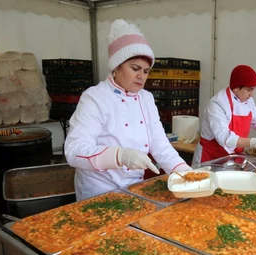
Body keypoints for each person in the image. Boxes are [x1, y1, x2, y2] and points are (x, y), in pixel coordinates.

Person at [65, 19, 191, 201]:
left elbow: (160, 145)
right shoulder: (95, 98)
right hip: (98, 192)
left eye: (146, 71)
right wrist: (120, 155)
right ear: (116, 66)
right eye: (135, 68)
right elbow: (74, 151)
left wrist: (185, 173)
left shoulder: (146, 99)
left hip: (135, 188)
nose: (141, 76)